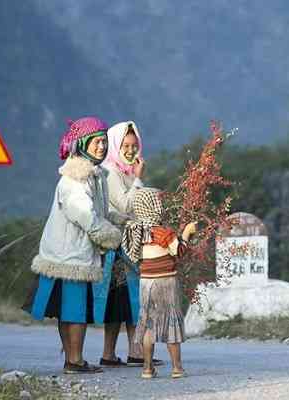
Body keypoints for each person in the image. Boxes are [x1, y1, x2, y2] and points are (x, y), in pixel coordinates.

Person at [24, 117, 123, 374]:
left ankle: (72, 359)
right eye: (96, 142)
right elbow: (87, 216)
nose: (101, 146)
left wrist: (120, 220)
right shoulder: (75, 179)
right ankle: (75, 360)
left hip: (69, 253)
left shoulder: (93, 175)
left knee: (68, 311)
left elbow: (99, 211)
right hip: (71, 256)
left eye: (104, 141)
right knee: (74, 312)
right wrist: (112, 237)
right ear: (83, 144)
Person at [93, 121, 163, 367]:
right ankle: (109, 353)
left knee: (134, 299)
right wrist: (139, 180)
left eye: (135, 145)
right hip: (116, 244)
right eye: (126, 145)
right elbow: (125, 205)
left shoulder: (127, 170)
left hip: (131, 243)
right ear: (116, 145)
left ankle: (136, 352)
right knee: (118, 301)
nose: (131, 149)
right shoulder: (110, 171)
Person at [122, 188, 197, 379]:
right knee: (171, 320)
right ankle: (177, 368)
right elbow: (179, 252)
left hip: (146, 282)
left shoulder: (135, 232)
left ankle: (147, 368)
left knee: (148, 323)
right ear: (155, 206)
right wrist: (187, 233)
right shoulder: (164, 233)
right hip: (166, 282)